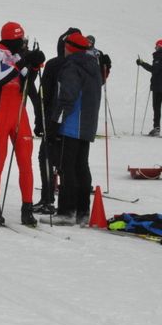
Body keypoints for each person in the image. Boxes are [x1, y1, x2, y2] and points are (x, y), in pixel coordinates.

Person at [0, 22, 44, 227]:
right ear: (10, 39)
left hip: (19, 113)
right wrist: (21, 64)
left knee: (26, 162)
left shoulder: (17, 56)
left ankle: (27, 207)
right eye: (19, 40)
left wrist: (33, 66)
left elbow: (26, 82)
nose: (22, 44)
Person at [49, 32, 102, 225]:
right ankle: (82, 211)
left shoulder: (71, 66)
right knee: (81, 166)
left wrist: (55, 123)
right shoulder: (93, 66)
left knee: (67, 168)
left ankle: (66, 212)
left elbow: (66, 98)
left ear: (69, 48)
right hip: (86, 126)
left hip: (70, 125)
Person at [34, 28, 81, 214]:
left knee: (46, 157)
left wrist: (40, 121)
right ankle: (71, 203)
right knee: (69, 162)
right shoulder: (85, 64)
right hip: (76, 123)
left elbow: (43, 94)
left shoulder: (54, 64)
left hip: (54, 119)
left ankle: (47, 199)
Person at [136, 39, 162, 136]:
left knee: (157, 107)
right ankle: (156, 128)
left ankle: (156, 128)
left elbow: (154, 69)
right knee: (157, 108)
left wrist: (142, 63)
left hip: (159, 87)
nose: (155, 48)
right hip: (158, 86)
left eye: (157, 46)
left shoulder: (159, 56)